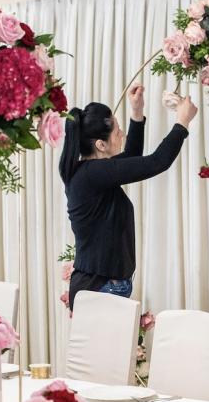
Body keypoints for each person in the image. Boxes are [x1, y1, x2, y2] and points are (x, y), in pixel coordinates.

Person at [59, 85, 197, 309]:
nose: (121, 134)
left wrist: (137, 113)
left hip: (101, 285)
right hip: (100, 287)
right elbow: (157, 162)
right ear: (101, 145)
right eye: (117, 131)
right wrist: (181, 123)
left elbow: (131, 157)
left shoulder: (90, 172)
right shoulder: (93, 173)